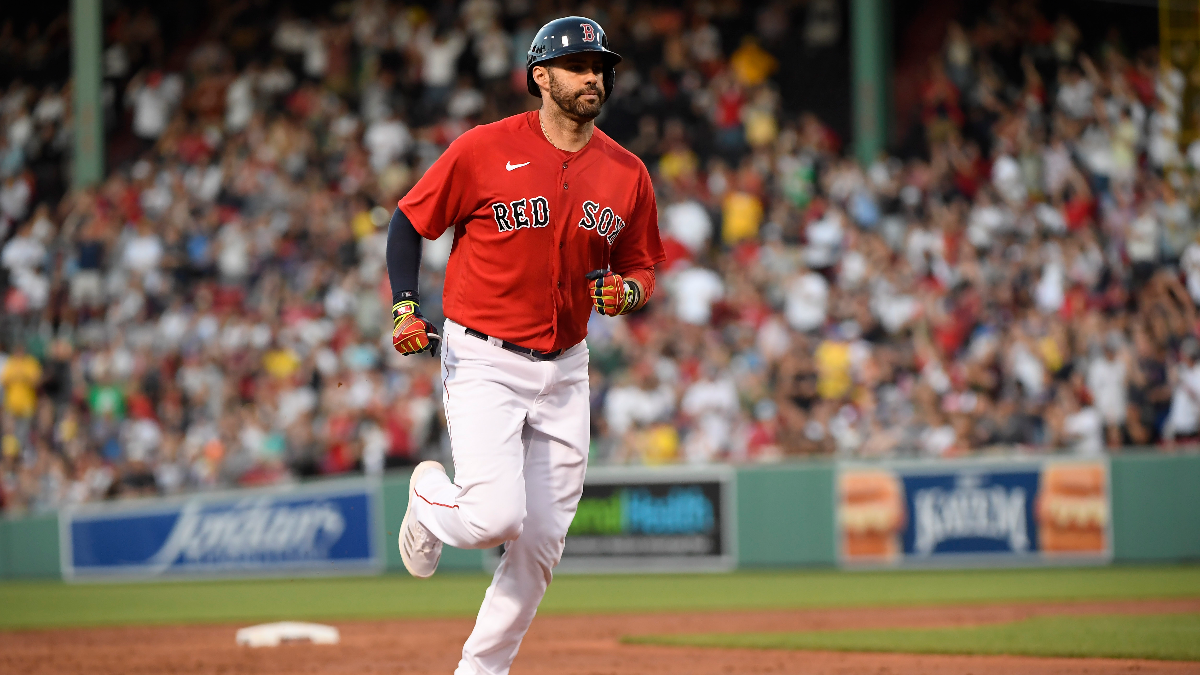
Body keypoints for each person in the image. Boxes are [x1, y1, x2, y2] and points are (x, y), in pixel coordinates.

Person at [384, 17, 664, 675]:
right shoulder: (484, 148)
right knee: (492, 518)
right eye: (578, 65)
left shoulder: (627, 173)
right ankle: (427, 495)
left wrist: (627, 293)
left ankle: (480, 669)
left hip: (566, 367)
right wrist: (404, 305)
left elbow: (643, 266)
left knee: (539, 542)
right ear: (541, 75)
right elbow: (408, 220)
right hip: (483, 355)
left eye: (600, 66)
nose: (593, 76)